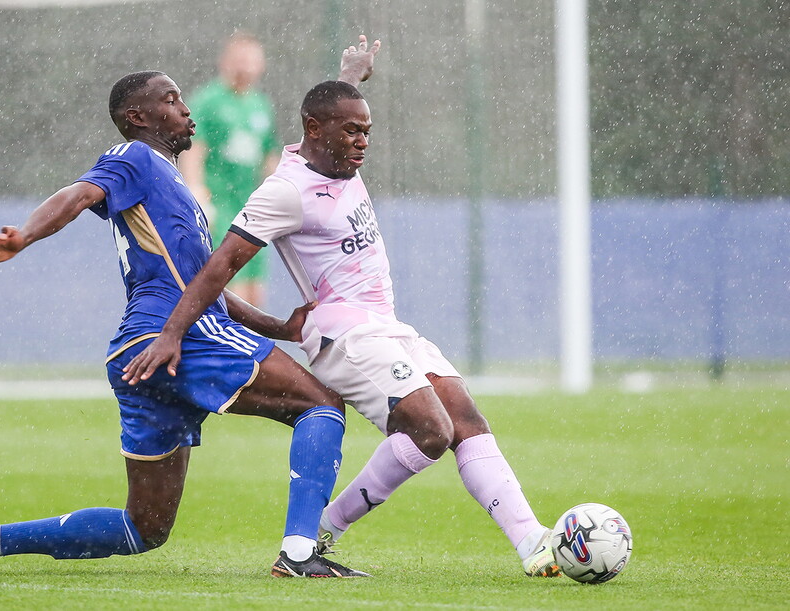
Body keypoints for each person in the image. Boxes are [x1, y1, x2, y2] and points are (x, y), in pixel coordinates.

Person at [0, 41, 382, 579]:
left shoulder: (172, 185)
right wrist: (23, 235)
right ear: (136, 117)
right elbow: (77, 195)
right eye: (171, 99)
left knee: (143, 529)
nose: (185, 109)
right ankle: (301, 553)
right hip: (175, 338)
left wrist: (277, 327)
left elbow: (199, 286)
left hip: (148, 350)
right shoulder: (133, 158)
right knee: (321, 405)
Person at [126, 35, 562, 578]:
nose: (362, 142)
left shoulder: (337, 157)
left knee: (467, 422)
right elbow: (216, 270)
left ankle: (533, 544)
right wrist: (172, 333)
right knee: (431, 431)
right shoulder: (285, 191)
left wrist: (349, 75)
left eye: (367, 132)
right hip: (344, 338)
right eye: (352, 131)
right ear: (316, 130)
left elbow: (333, 107)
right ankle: (321, 531)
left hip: (387, 326)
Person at [180, 32, 279, 308]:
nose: (245, 66)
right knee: (228, 282)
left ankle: (252, 348)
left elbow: (270, 156)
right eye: (240, 59)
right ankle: (228, 346)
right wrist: (197, 191)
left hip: (253, 206)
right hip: (220, 204)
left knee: (256, 287)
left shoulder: (261, 104)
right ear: (225, 61)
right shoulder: (208, 100)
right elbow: (194, 149)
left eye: (252, 60)